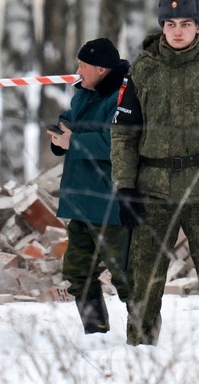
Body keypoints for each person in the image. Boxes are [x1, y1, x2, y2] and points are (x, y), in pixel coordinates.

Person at [110, 0, 199, 345]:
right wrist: (124, 186)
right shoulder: (142, 68)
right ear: (162, 27)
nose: (177, 32)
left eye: (185, 24)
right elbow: (123, 133)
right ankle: (141, 350)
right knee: (145, 274)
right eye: (170, 24)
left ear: (198, 27)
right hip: (152, 185)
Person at [48, 38, 140, 335]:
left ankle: (144, 332)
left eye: (82, 65)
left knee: (126, 275)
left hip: (111, 203)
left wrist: (72, 142)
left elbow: (119, 141)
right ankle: (95, 330)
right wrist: (60, 135)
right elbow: (72, 119)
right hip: (81, 201)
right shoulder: (83, 92)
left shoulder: (126, 95)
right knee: (77, 272)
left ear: (101, 69)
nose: (77, 70)